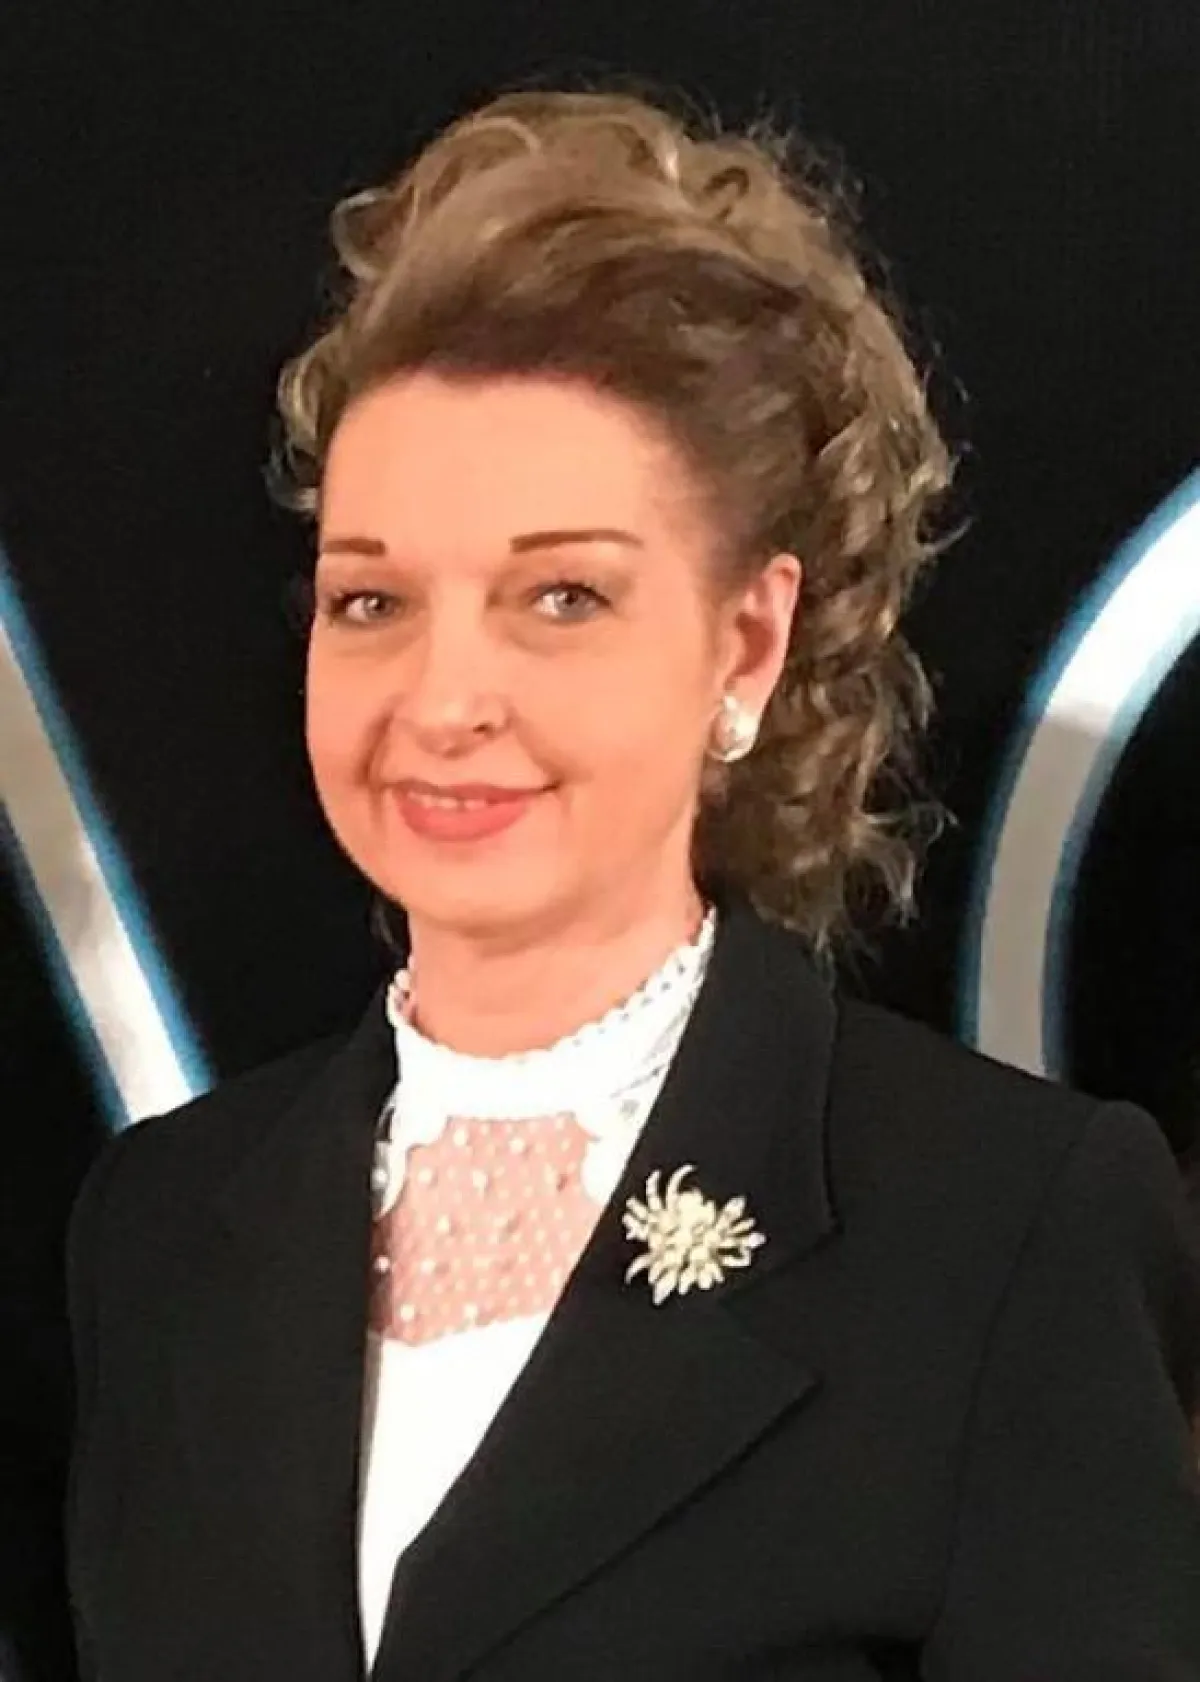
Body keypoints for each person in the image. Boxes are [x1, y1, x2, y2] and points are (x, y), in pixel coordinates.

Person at [65, 88, 1200, 1682]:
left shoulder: (1008, 1229)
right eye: (374, 599)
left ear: (749, 642)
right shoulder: (158, 1232)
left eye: (562, 597)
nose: (443, 699)